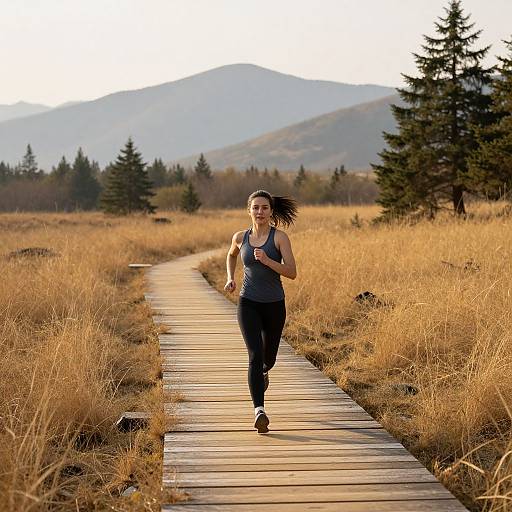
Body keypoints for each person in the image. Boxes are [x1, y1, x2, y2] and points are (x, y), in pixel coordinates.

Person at [224, 190, 298, 433]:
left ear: (271, 211)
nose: (260, 212)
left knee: (269, 359)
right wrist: (230, 277)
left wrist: (267, 261)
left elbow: (291, 272)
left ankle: (264, 371)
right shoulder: (240, 237)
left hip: (275, 304)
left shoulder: (279, 238)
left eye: (264, 208)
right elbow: (231, 255)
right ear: (249, 210)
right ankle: (259, 411)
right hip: (248, 303)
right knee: (255, 356)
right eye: (256, 207)